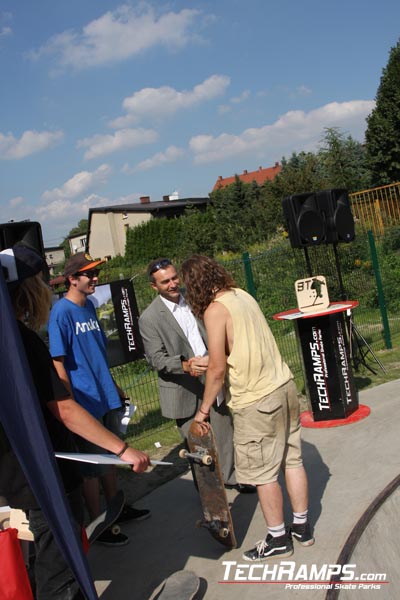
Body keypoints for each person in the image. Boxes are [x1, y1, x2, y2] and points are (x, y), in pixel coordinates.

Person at [0, 245, 150, 599]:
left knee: (41, 555)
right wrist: (123, 449)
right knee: (59, 565)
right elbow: (63, 409)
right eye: (39, 281)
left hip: (16, 473)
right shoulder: (23, 342)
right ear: (25, 288)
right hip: (42, 473)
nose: (45, 289)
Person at [181, 254, 314, 561]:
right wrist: (213, 362)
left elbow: (216, 370)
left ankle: (278, 537)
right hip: (284, 387)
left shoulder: (215, 310)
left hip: (256, 401)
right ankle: (302, 526)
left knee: (263, 473)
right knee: (292, 459)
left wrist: (202, 413)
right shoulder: (241, 295)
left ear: (196, 285)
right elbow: (236, 348)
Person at [48, 252, 150, 546]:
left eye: (96, 273)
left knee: (111, 456)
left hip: (104, 394)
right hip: (83, 400)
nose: (95, 279)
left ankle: (117, 509)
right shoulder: (61, 313)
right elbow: (58, 361)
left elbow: (97, 355)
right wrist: (70, 401)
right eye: (89, 275)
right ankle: (99, 524)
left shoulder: (89, 307)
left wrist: (114, 387)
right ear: (72, 279)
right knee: (92, 467)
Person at [139, 258, 252, 491]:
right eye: (165, 282)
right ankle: (209, 492)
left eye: (174, 278)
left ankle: (231, 477)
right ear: (154, 287)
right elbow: (155, 358)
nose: (172, 284)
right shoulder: (149, 318)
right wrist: (185, 365)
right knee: (197, 444)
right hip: (183, 388)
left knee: (223, 430)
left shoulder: (194, 299)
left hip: (212, 375)